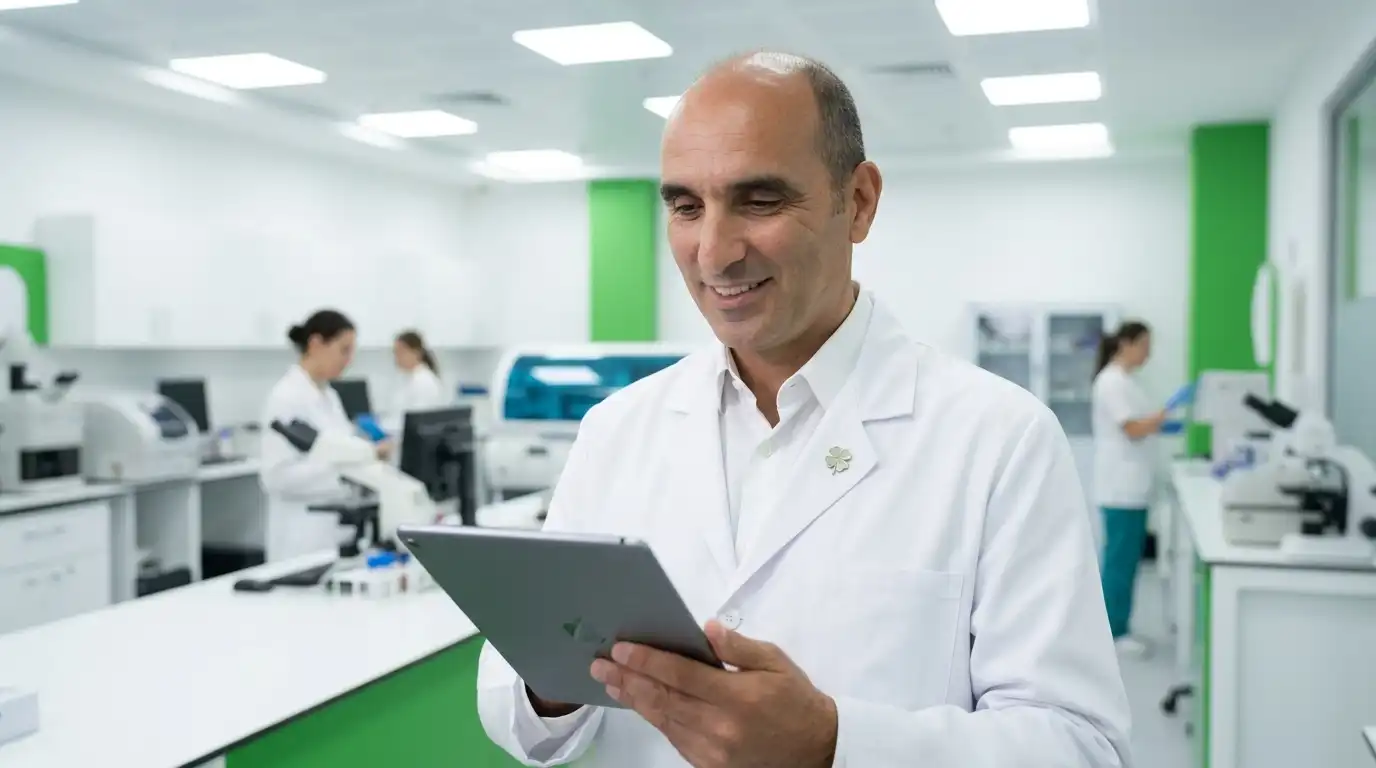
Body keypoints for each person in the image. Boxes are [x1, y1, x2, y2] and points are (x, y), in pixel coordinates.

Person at [477, 52, 1131, 767]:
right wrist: (550, 684)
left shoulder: (999, 438)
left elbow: (1081, 746)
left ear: (859, 201)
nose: (715, 253)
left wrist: (833, 743)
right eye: (686, 206)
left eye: (759, 201)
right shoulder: (617, 430)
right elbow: (520, 707)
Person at [259, 309, 388, 562]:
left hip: (333, 534)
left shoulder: (329, 396)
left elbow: (340, 449)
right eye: (344, 350)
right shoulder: (286, 397)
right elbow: (275, 477)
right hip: (301, 537)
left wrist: (362, 459)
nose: (349, 360)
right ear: (316, 344)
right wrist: (346, 469)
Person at [1092, 320, 1168, 658]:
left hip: (1131, 486)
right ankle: (1113, 631)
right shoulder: (1111, 382)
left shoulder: (1125, 382)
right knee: (1119, 563)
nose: (1148, 353)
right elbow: (1133, 429)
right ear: (1126, 343)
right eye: (1145, 345)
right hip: (1120, 487)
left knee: (1124, 560)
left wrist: (1160, 421)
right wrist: (1164, 416)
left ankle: (1118, 626)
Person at [389, 330, 450, 424]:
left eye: (401, 352)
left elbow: (418, 421)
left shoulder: (425, 381)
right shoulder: (404, 377)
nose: (397, 357)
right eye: (395, 352)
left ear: (416, 353)